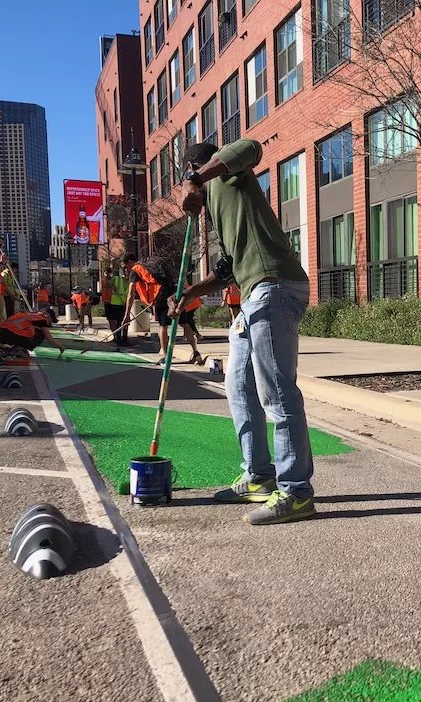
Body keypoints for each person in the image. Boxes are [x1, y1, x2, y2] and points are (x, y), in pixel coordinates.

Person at [170, 138, 313, 525]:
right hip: (253, 294)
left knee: (277, 392)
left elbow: (250, 147)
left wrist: (194, 180)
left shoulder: (231, 175)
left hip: (275, 286)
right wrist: (190, 294)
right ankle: (259, 477)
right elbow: (229, 265)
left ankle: (296, 492)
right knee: (238, 386)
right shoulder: (215, 208)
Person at [122, 254, 199, 365]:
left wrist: (127, 315)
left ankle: (166, 356)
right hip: (173, 290)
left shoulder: (135, 270)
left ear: (130, 262)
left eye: (125, 266)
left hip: (162, 296)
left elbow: (131, 294)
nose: (126, 269)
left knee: (163, 327)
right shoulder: (148, 265)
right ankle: (195, 352)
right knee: (184, 323)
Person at [0, 308, 67, 358]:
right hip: (8, 333)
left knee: (30, 331)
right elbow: (49, 338)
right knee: (41, 335)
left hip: (0, 333)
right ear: (47, 315)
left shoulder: (30, 315)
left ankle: (15, 348)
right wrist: (60, 346)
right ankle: (18, 349)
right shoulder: (41, 319)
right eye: (51, 320)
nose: (49, 323)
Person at [102, 264, 129, 348]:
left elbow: (108, 285)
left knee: (116, 322)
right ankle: (121, 339)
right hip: (121, 303)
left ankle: (119, 339)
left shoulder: (114, 279)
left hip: (114, 303)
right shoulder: (126, 280)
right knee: (121, 321)